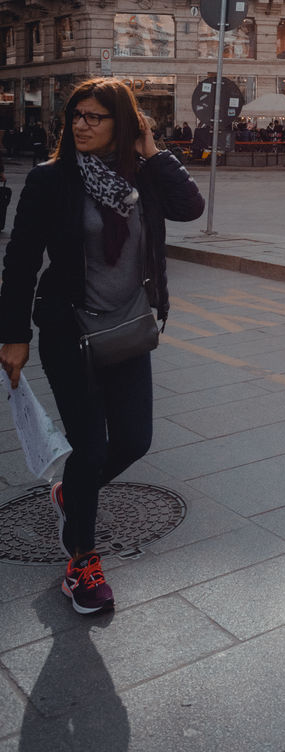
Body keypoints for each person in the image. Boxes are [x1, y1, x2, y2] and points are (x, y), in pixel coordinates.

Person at [0, 78, 204, 615]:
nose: (83, 126)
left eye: (97, 117)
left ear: (124, 125)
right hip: (70, 332)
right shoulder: (50, 181)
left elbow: (190, 206)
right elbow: (20, 260)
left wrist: (153, 149)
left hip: (129, 329)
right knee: (90, 446)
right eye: (77, 117)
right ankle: (82, 563)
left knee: (134, 440)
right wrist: (14, 334)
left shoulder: (142, 177)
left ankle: (73, 491)